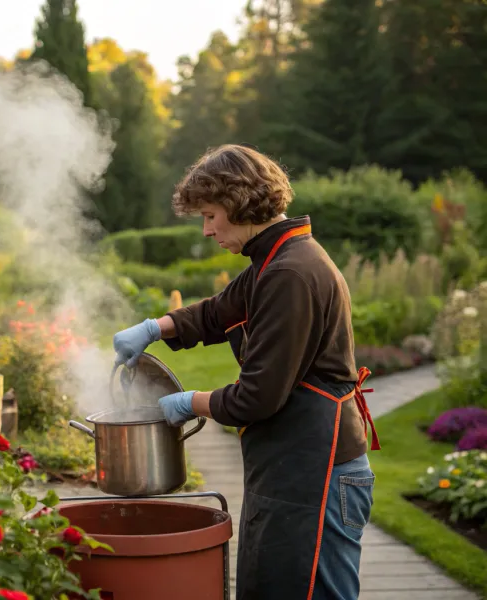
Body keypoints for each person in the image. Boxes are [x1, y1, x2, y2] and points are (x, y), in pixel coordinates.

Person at [113, 145, 380, 600]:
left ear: (239, 202)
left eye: (210, 215)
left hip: (319, 471)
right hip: (294, 465)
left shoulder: (291, 272)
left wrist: (187, 403)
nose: (207, 229)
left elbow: (256, 397)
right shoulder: (274, 259)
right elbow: (220, 310)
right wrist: (155, 328)